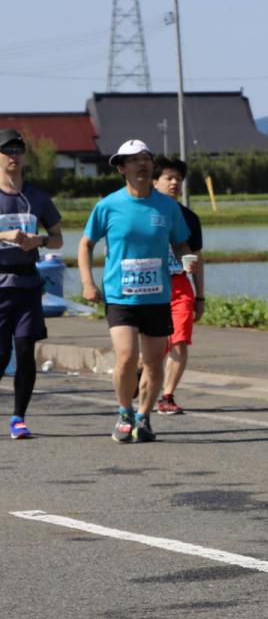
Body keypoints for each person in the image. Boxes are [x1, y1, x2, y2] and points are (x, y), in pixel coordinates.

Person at [79, 140, 192, 443]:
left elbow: (181, 243)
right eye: (133, 160)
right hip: (120, 295)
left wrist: (186, 259)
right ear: (121, 167)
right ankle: (124, 411)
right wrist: (88, 283)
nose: (142, 164)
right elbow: (86, 244)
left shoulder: (167, 206)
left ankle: (144, 416)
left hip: (156, 296)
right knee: (127, 356)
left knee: (154, 364)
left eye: (146, 158)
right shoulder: (108, 206)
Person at [0, 129, 63, 440]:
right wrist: (4, 235)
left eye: (18, 150)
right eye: (7, 150)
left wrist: (40, 240)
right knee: (0, 355)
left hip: (27, 284)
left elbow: (58, 237)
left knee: (25, 351)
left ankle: (18, 417)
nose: (13, 156)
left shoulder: (36, 197)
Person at [151, 156, 204, 415]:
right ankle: (141, 378)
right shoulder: (146, 213)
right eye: (168, 178)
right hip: (151, 287)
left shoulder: (190, 218)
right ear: (154, 181)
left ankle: (167, 396)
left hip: (180, 285)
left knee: (179, 342)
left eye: (178, 179)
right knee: (153, 348)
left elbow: (198, 257)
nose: (174, 183)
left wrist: (200, 296)